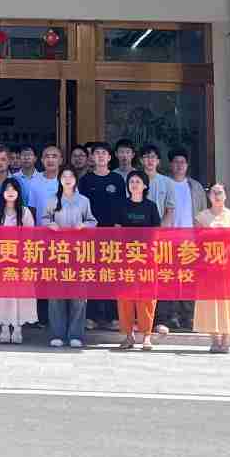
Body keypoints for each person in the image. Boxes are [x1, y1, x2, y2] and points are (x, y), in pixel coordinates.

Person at [43, 165, 95, 348]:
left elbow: (92, 221)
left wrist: (84, 226)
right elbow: (44, 219)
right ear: (59, 180)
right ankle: (57, 334)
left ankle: (75, 335)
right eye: (64, 176)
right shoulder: (52, 199)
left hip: (78, 252)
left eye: (70, 176)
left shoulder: (84, 201)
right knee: (56, 294)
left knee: (78, 295)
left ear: (75, 180)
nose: (67, 179)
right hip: (57, 252)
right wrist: (49, 225)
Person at [113, 169, 162, 350]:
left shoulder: (151, 206)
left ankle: (146, 336)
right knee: (125, 297)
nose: (134, 185)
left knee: (147, 297)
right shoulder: (121, 205)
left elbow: (156, 232)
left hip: (146, 257)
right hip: (126, 256)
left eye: (138, 182)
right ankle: (128, 335)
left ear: (145, 186)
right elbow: (117, 229)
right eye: (131, 181)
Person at [77, 142, 124, 330]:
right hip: (91, 233)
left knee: (111, 275)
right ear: (92, 157)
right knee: (92, 275)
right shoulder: (86, 180)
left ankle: (113, 317)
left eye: (104, 153)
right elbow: (80, 206)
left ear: (110, 157)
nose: (101, 156)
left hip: (112, 234)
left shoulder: (117, 179)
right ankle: (92, 316)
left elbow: (122, 205)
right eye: (97, 153)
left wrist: (119, 226)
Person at [193, 182, 230, 354]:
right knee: (210, 302)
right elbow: (197, 240)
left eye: (220, 192)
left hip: (228, 265)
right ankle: (214, 339)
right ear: (209, 196)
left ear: (225, 195)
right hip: (209, 265)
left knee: (228, 301)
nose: (216, 195)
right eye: (213, 192)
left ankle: (226, 340)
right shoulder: (202, 217)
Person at [0, 177, 37, 344]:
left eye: (13, 189)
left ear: (18, 192)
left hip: (21, 261)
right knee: (3, 295)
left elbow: (31, 238)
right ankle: (4, 328)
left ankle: (17, 328)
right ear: (2, 192)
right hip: (1, 261)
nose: (10, 192)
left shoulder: (25, 212)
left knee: (19, 296)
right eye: (7, 189)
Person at [158, 150, 200, 333]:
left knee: (188, 278)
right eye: (176, 162)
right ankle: (170, 316)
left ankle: (188, 315)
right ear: (170, 164)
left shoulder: (195, 187)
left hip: (189, 241)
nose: (179, 165)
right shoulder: (164, 184)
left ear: (187, 165)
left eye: (183, 162)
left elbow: (201, 212)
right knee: (168, 278)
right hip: (168, 240)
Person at [20, 143, 63, 220]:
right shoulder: (35, 180)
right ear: (42, 160)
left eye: (54, 156)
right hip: (41, 226)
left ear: (60, 160)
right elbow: (32, 209)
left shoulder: (67, 179)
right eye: (47, 156)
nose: (50, 160)